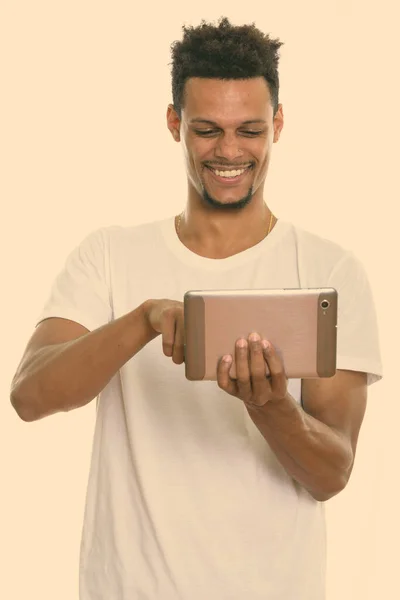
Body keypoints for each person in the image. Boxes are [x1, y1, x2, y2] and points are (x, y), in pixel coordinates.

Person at [10, 16, 382, 600]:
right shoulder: (108, 255)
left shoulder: (331, 271)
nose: (229, 151)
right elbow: (30, 396)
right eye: (207, 130)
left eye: (249, 130)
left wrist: (271, 406)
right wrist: (144, 320)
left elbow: (332, 473)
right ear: (173, 123)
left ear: (278, 125)